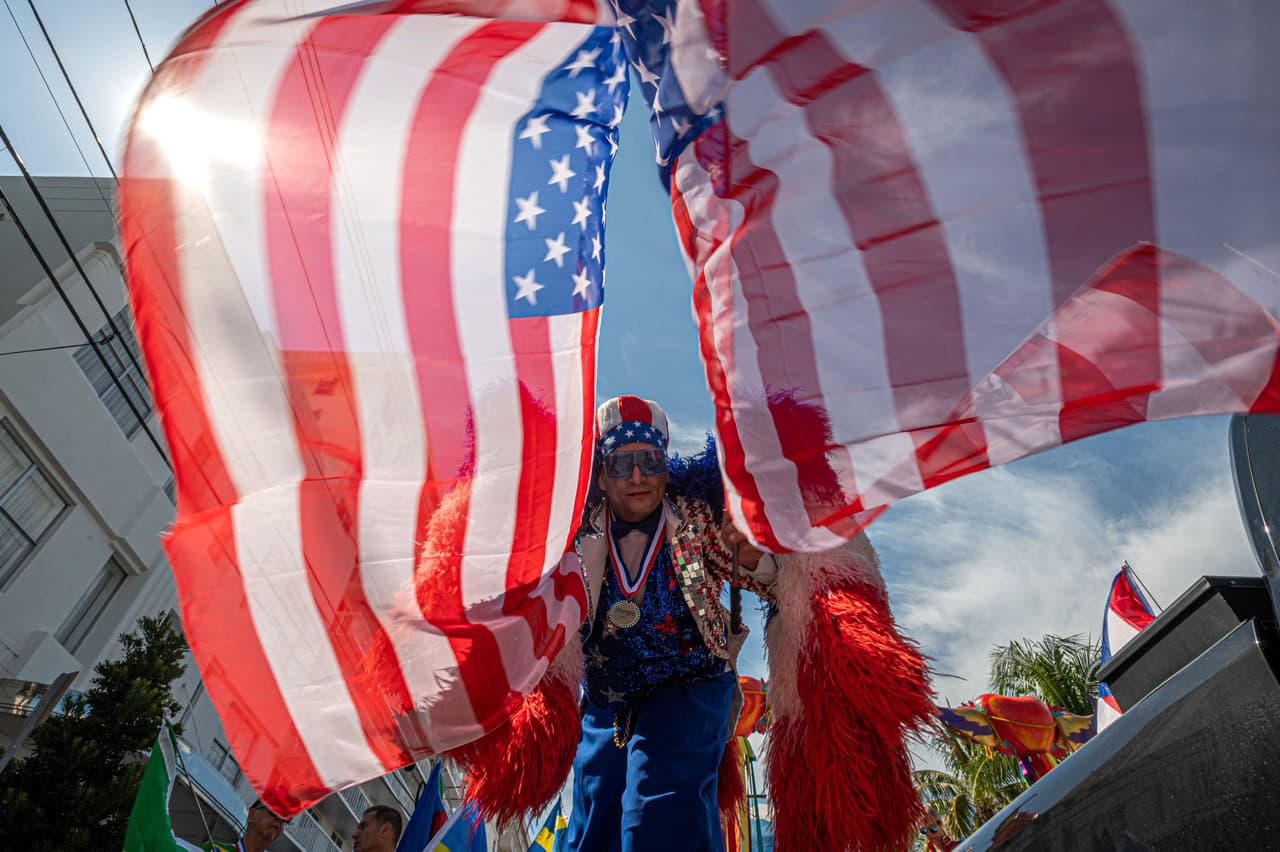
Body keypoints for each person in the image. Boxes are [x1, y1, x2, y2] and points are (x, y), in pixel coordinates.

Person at [564, 395, 777, 851]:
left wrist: (754, 554)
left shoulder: (696, 518)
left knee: (658, 814)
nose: (637, 476)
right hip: (607, 696)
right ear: (601, 477)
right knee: (591, 828)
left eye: (649, 461)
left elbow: (770, 583)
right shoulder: (573, 533)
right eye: (622, 466)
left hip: (691, 683)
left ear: (665, 466)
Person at [202, 800, 285, 852]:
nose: (279, 821)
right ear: (252, 814)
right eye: (274, 812)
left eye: (285, 820)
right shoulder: (214, 849)